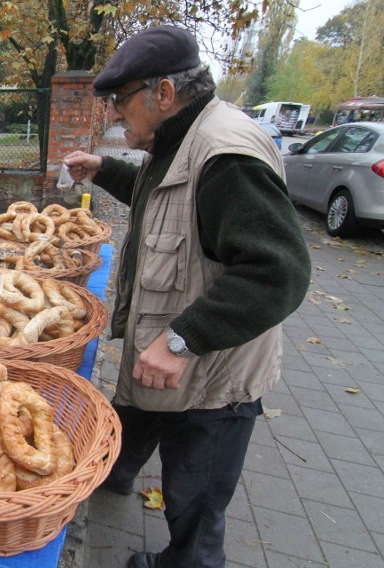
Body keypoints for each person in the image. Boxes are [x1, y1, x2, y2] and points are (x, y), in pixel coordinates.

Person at [64, 25, 311, 568]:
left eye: (119, 101)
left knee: (194, 502)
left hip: (211, 382)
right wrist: (105, 169)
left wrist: (180, 342)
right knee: (131, 419)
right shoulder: (177, 137)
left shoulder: (227, 156)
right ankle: (116, 476)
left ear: (165, 94)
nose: (111, 114)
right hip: (163, 357)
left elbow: (280, 272)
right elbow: (167, 202)